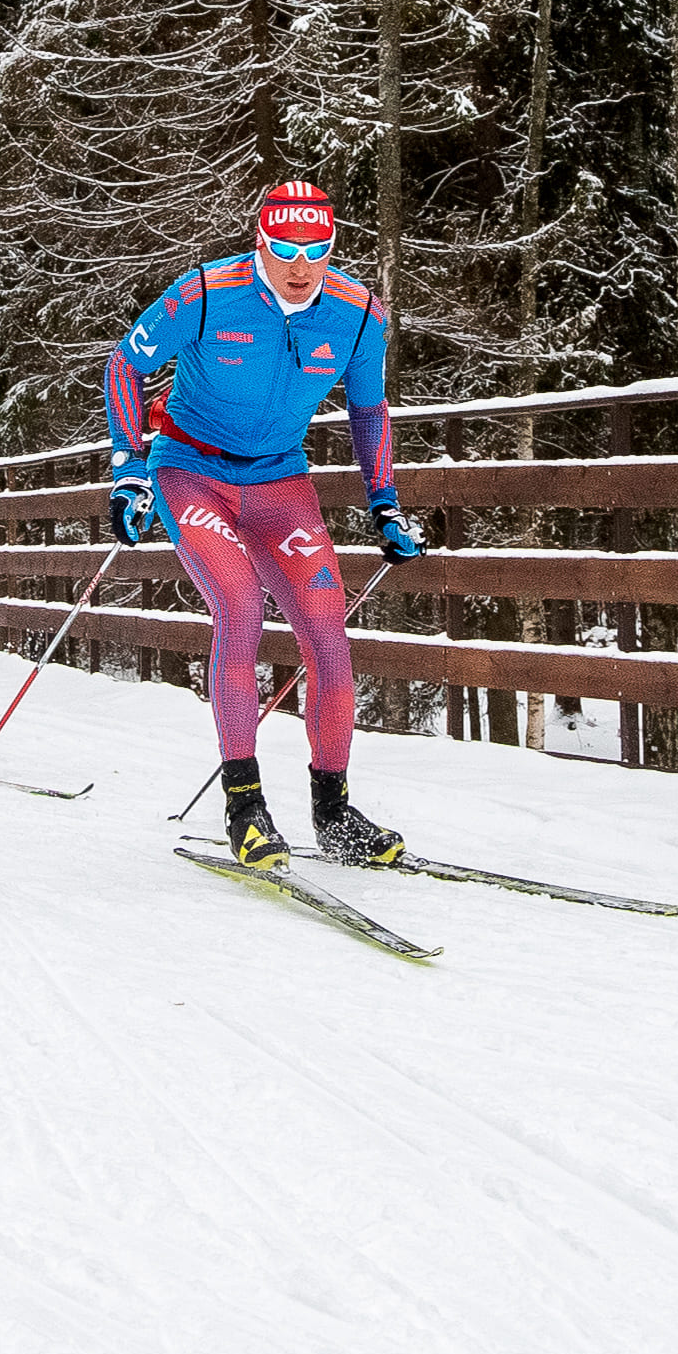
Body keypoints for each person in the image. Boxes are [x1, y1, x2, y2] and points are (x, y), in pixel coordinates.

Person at [103, 179, 426, 868]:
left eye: (317, 249)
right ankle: (244, 806)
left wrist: (384, 500)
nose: (301, 265)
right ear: (260, 242)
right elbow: (125, 365)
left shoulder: (359, 313)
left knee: (326, 628)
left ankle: (333, 812)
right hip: (191, 468)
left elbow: (369, 411)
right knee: (241, 609)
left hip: (278, 478)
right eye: (284, 248)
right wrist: (128, 467)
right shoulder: (204, 292)